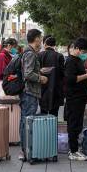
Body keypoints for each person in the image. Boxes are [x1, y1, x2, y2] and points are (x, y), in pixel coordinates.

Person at [65, 38, 87, 160]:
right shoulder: (70, 61)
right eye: (84, 51)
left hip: (80, 97)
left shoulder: (77, 60)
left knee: (78, 123)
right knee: (73, 123)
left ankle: (75, 149)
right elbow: (71, 79)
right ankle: (73, 151)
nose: (85, 54)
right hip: (74, 97)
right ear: (77, 48)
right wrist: (86, 76)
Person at [20, 29, 47, 160]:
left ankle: (25, 150)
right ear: (36, 39)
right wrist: (41, 78)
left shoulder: (28, 52)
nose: (41, 41)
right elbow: (28, 74)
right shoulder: (30, 53)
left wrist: (39, 71)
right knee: (27, 121)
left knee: (25, 120)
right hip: (30, 92)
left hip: (28, 92)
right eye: (40, 38)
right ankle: (26, 151)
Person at [39, 36, 65, 116]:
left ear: (45, 44)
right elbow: (62, 73)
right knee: (54, 114)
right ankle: (52, 128)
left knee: (43, 113)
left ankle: (43, 128)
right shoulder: (59, 56)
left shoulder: (39, 55)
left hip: (42, 89)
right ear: (54, 45)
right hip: (56, 89)